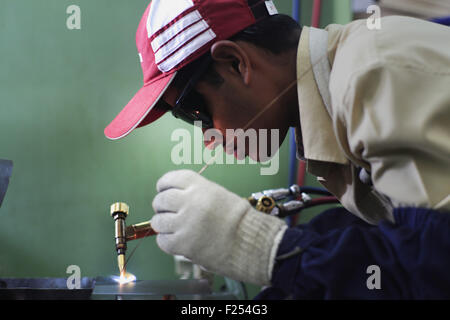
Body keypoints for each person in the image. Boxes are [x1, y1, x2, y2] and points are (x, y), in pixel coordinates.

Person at [104, 0, 450, 299]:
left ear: (236, 63)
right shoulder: (338, 96)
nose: (206, 136)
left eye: (194, 111)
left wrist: (268, 251)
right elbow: (389, 232)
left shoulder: (371, 77)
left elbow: (434, 271)